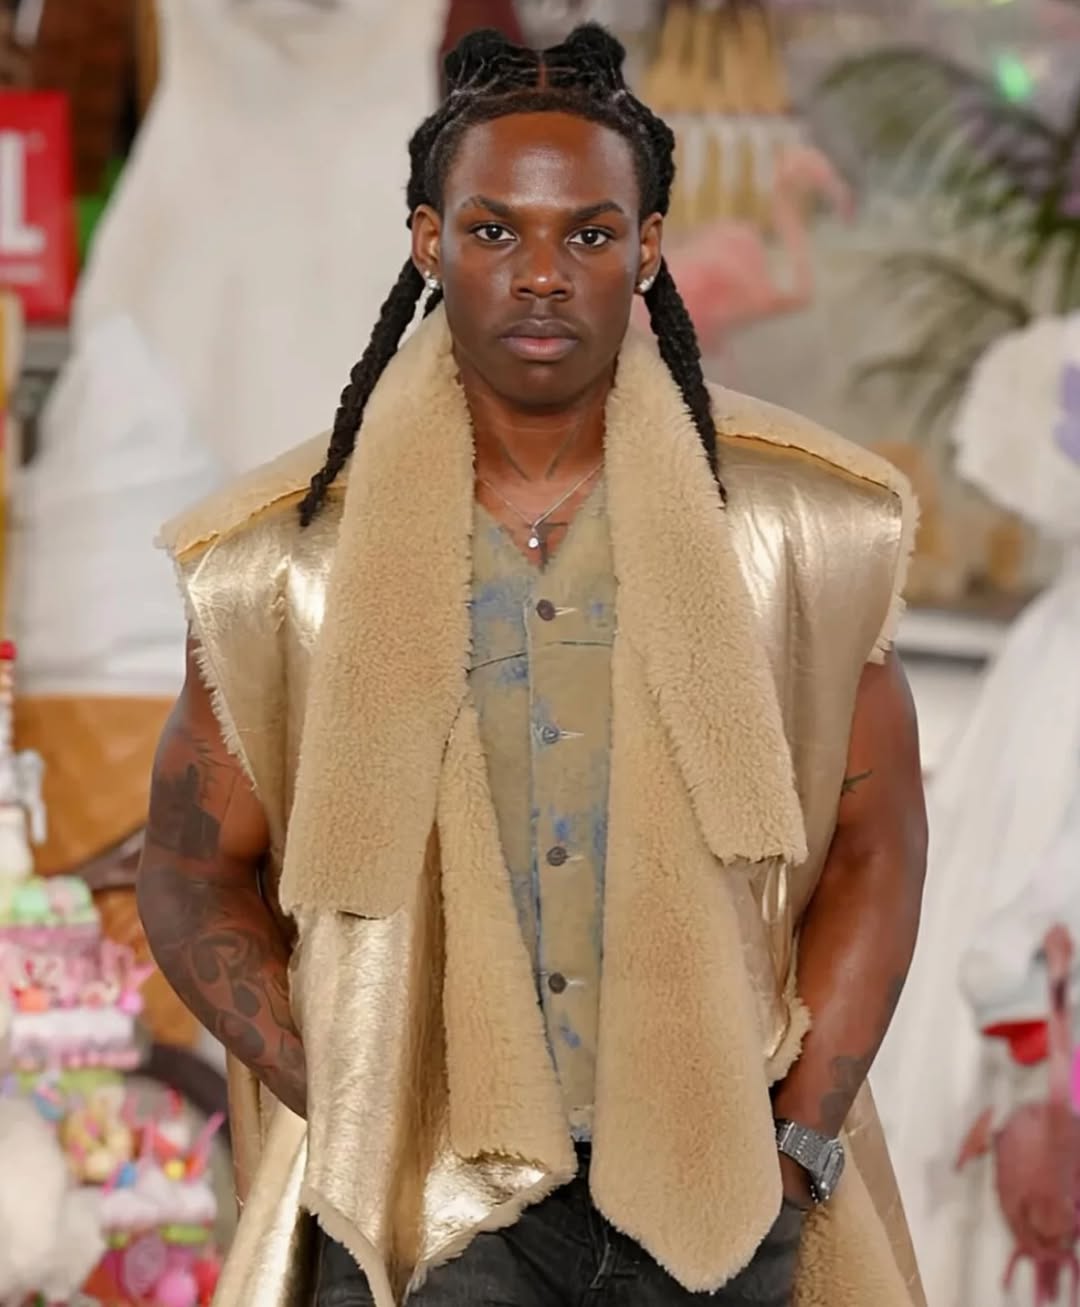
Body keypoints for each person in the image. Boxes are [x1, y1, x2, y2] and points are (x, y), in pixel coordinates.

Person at [138, 25, 928, 1307]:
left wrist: (797, 1143)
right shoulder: (284, 562)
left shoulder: (804, 531)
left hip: (718, 1198)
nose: (545, 274)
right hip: (431, 1213)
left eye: (591, 234)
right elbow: (189, 867)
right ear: (428, 242)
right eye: (496, 230)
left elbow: (878, 846)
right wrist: (354, 1098)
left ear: (648, 248)